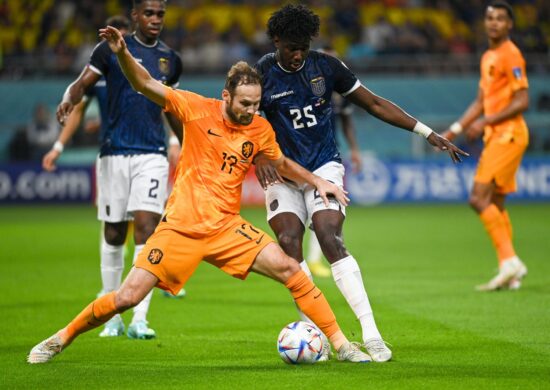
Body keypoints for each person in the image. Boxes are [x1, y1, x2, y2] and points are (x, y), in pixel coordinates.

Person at [27, 25, 372, 365]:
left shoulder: (260, 128)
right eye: (245, 104)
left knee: (291, 270)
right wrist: (122, 54)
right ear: (226, 96)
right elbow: (144, 83)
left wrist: (317, 181)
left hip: (226, 229)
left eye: (256, 104)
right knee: (127, 297)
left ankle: (342, 345)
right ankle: (60, 339)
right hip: (180, 229)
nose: (252, 110)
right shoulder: (194, 108)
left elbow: (280, 161)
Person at [254, 4, 467, 362]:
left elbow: (373, 103)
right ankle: (314, 334)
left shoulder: (326, 67)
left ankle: (372, 335)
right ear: (276, 40)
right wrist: (259, 156)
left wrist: (427, 133)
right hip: (282, 172)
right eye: (291, 46)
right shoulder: (261, 73)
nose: (298, 54)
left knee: (329, 236)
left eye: (303, 46)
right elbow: (246, 121)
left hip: (324, 167)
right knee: (289, 243)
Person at [55, 0, 183, 340]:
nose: (156, 19)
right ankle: (111, 315)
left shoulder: (171, 59)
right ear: (135, 16)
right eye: (149, 13)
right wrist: (70, 98)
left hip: (152, 154)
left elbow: (172, 107)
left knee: (146, 227)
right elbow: (82, 84)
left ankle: (140, 317)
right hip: (114, 153)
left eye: (160, 14)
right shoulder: (109, 50)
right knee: (114, 232)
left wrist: (185, 144)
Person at [442, 1, 528, 291]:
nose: (494, 23)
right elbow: (480, 102)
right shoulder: (489, 56)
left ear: (509, 25)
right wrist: (454, 130)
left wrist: (487, 120)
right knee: (497, 204)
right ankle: (511, 271)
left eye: (500, 19)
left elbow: (522, 100)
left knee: (478, 198)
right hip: (499, 134)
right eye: (490, 18)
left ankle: (510, 261)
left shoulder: (511, 54)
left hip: (508, 134)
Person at [305, 46, 362, 279]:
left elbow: (347, 121)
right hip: (302, 155)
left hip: (329, 156)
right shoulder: (303, 85)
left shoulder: (338, 90)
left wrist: (354, 149)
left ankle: (323, 255)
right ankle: (314, 259)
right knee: (316, 210)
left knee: (330, 206)